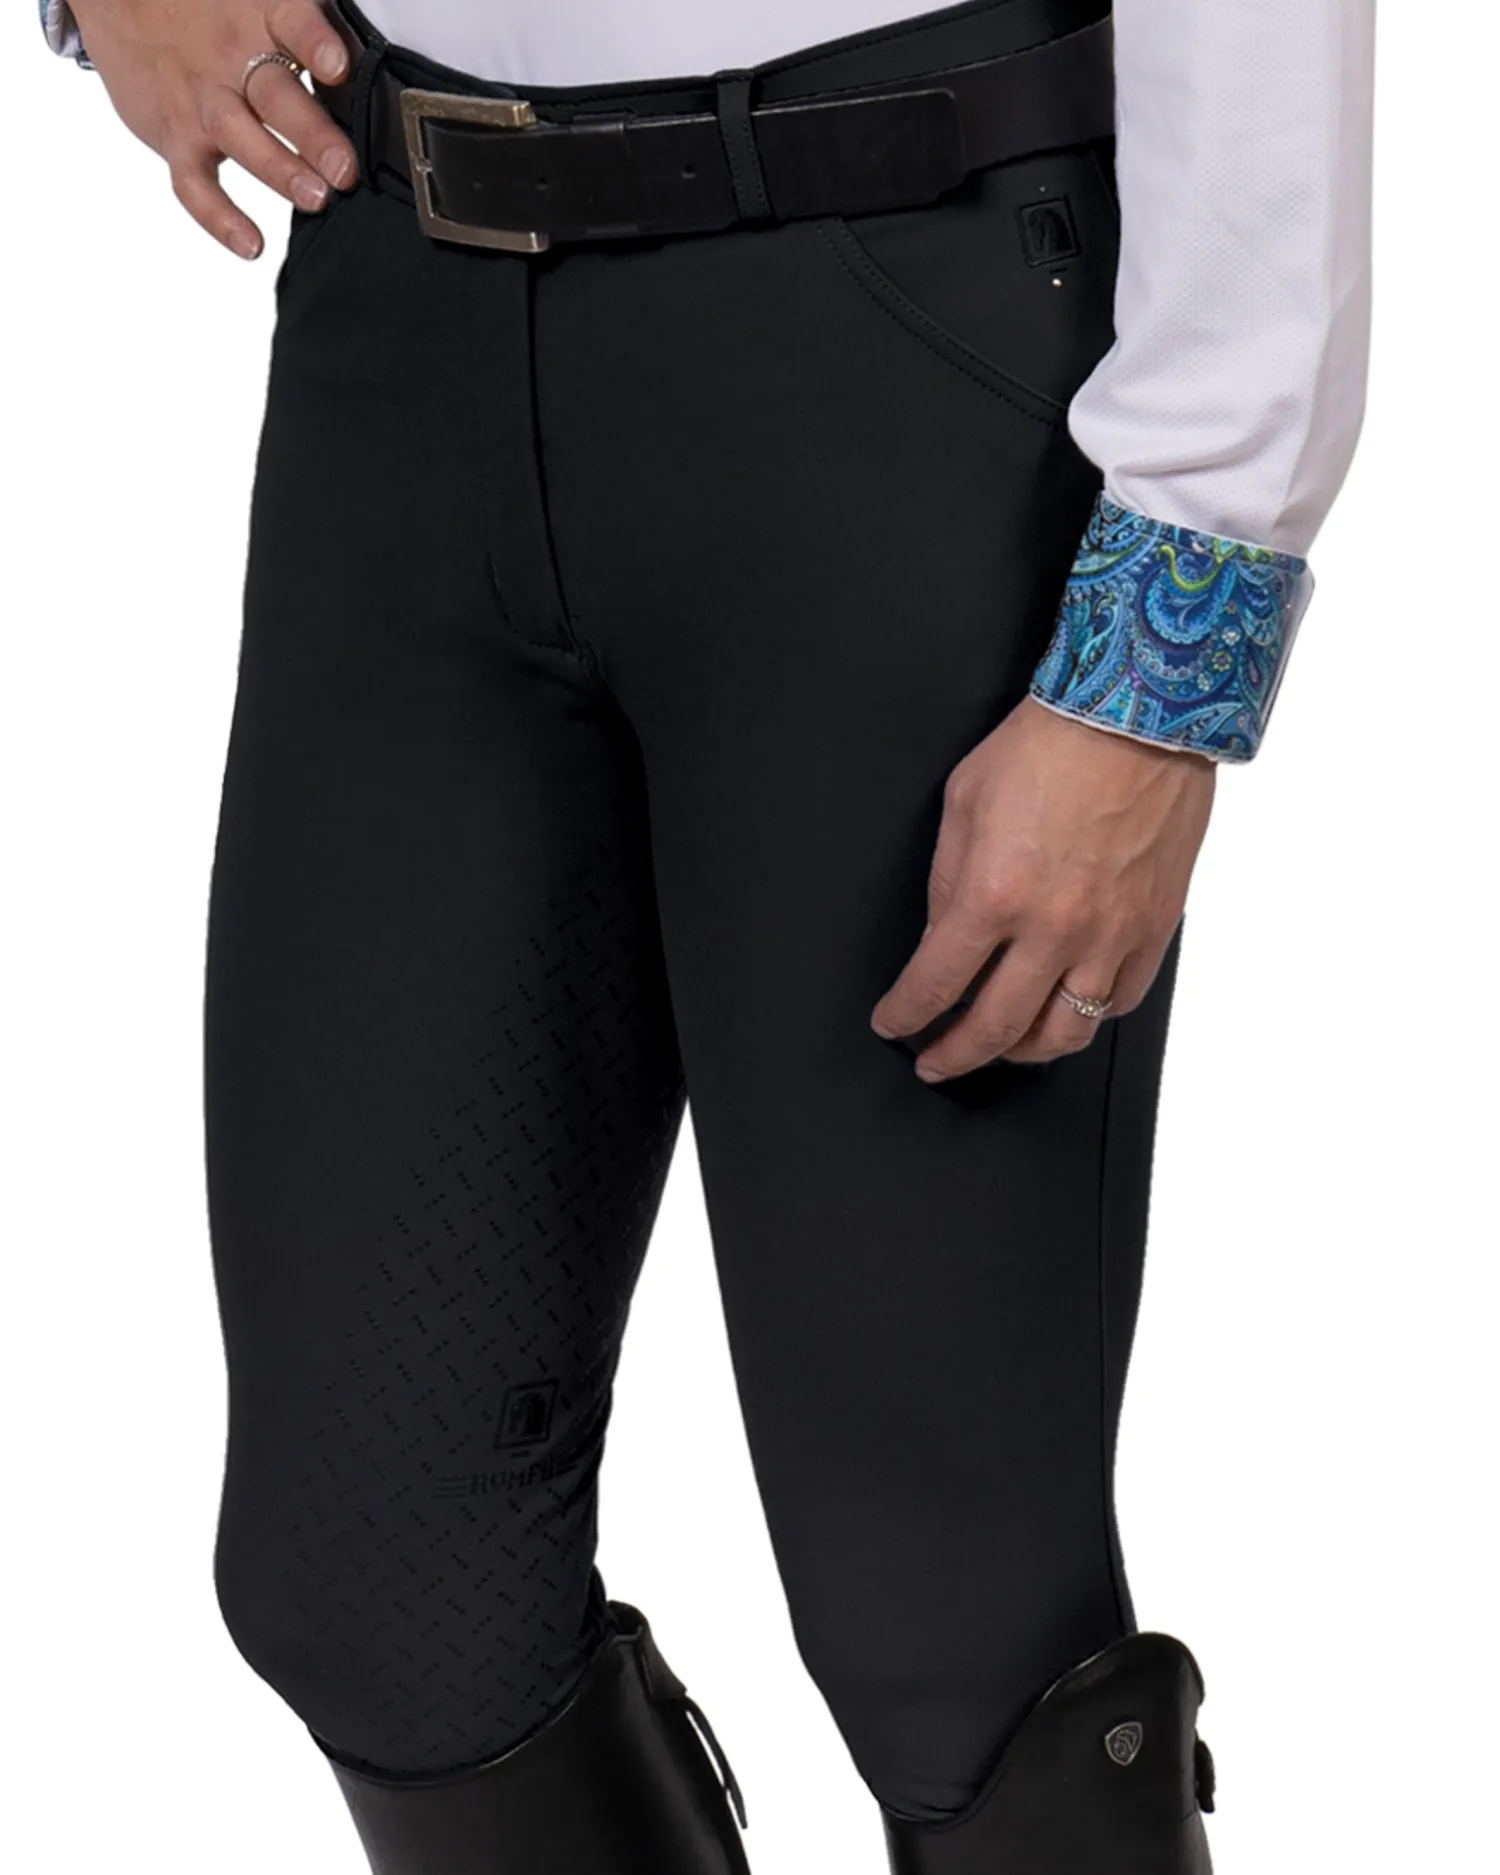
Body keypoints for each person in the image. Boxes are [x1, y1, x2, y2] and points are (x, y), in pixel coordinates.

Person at [42, 1, 1376, 1870]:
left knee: (946, 1616)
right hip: (401, 319)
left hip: (898, 335)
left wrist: (1161, 667)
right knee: (375, 1576)